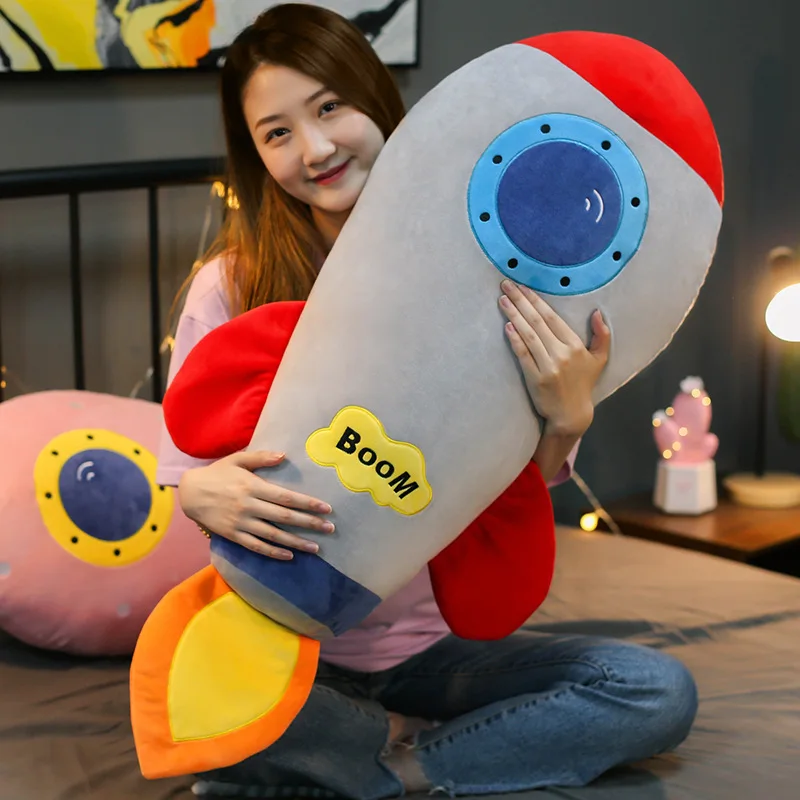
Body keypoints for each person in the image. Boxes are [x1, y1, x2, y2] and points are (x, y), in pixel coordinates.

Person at [156, 5, 698, 798]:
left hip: (434, 653)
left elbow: (514, 490)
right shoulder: (232, 284)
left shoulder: (494, 260)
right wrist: (200, 494)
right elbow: (187, 467)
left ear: (376, 99)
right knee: (197, 717)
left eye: (330, 107)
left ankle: (397, 764)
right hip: (286, 644)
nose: (315, 148)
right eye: (277, 133)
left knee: (653, 691)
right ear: (256, 155)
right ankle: (399, 747)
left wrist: (569, 414)